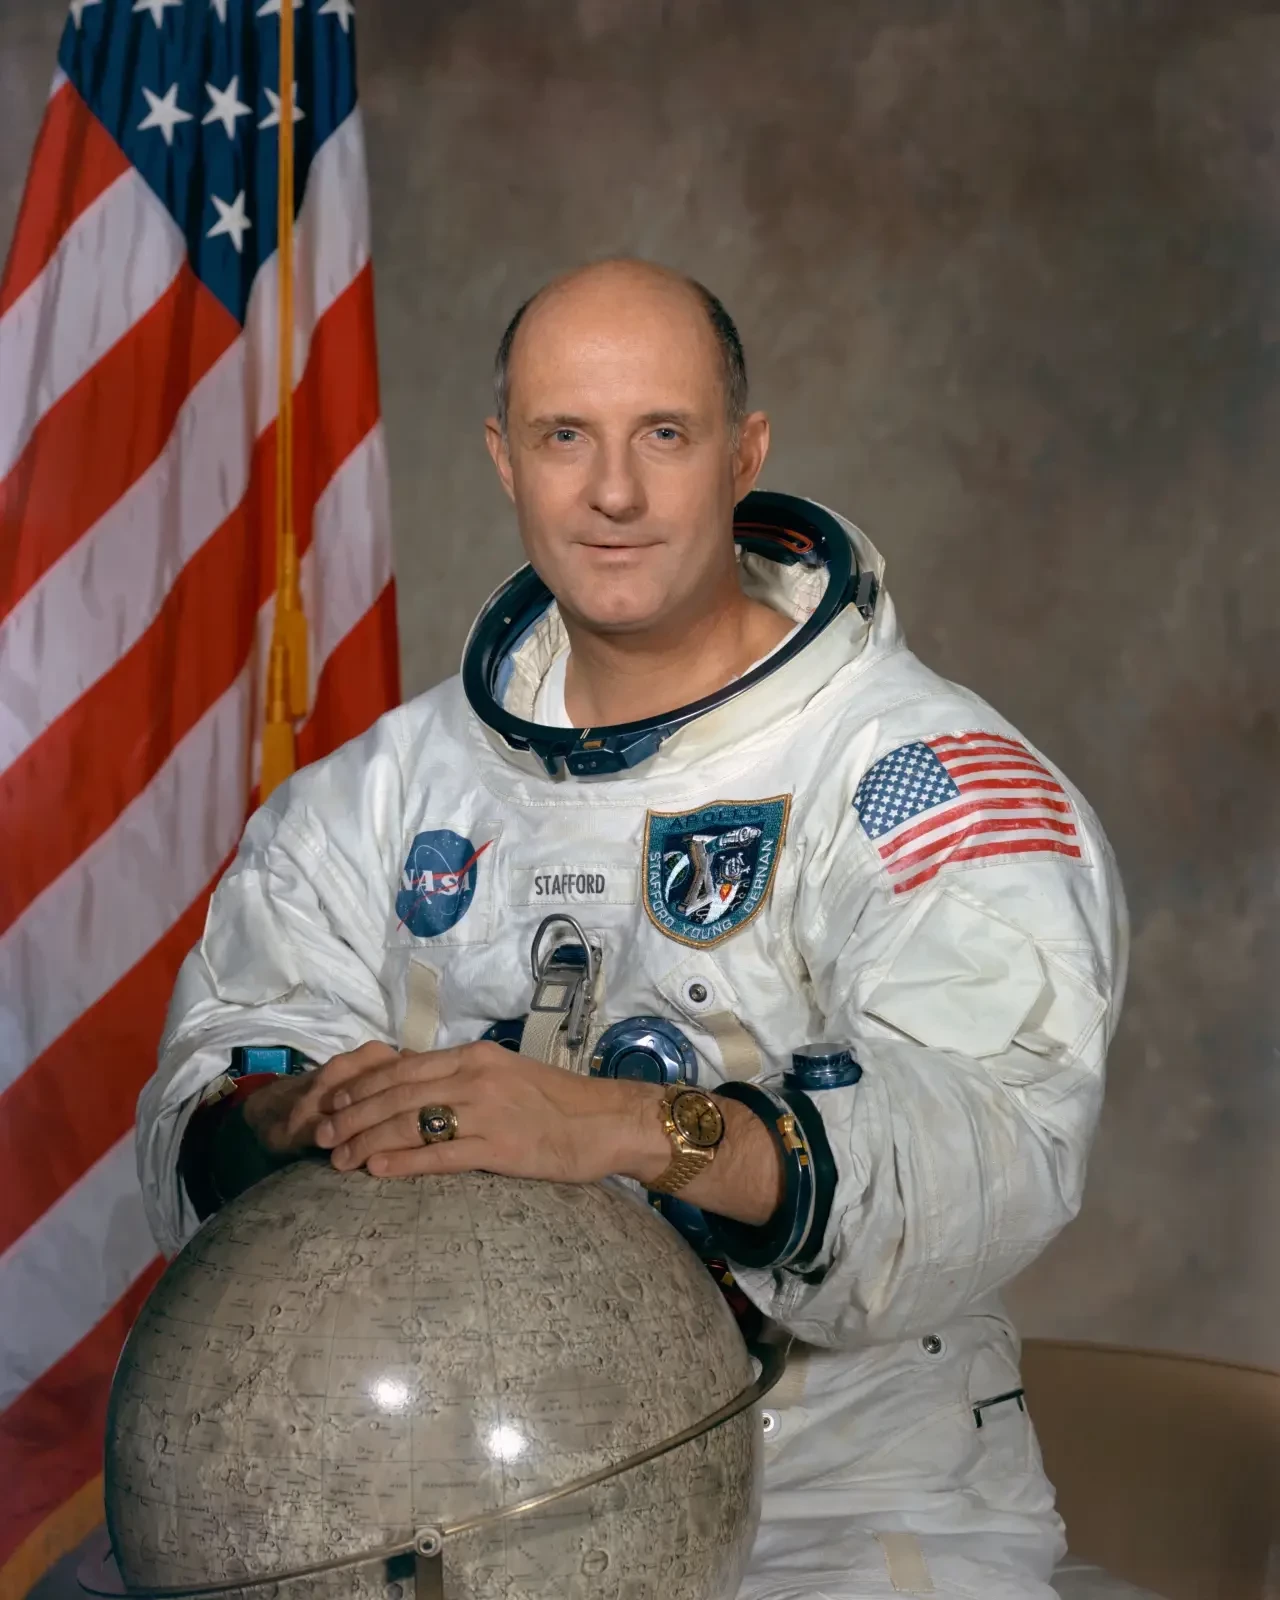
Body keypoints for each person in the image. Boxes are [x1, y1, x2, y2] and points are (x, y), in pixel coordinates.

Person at [137, 258, 1128, 1600]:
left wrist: (625, 1129)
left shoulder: (919, 781)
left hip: (843, 1502)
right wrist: (293, 1114)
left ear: (744, 454)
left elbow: (993, 1143)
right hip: (450, 1498)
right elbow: (217, 1083)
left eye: (664, 433)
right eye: (566, 436)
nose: (613, 492)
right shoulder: (379, 798)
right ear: (505, 459)